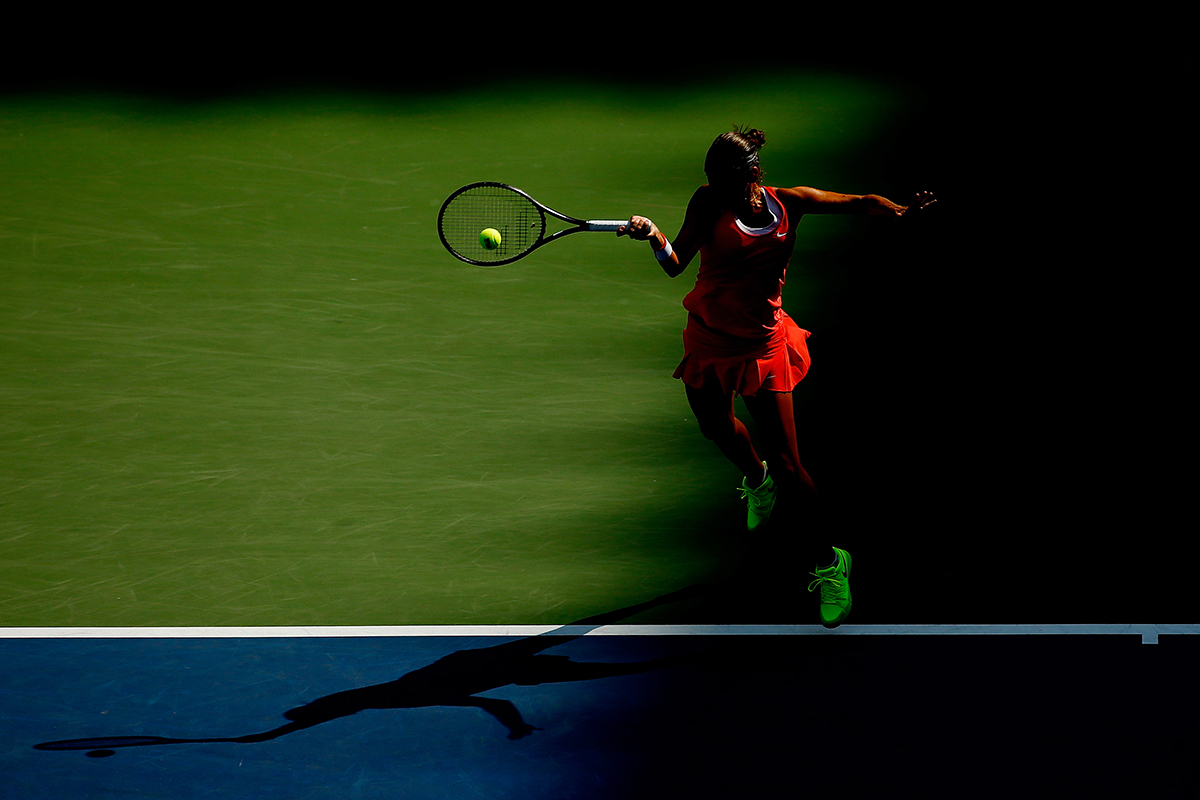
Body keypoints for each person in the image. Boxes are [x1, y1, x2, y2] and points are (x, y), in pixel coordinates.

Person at [618, 127, 934, 628]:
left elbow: (858, 201)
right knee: (715, 427)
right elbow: (676, 265)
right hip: (708, 338)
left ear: (752, 174)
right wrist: (654, 236)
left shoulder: (791, 204)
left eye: (725, 177)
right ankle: (755, 479)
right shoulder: (707, 203)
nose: (714, 184)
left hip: (762, 347)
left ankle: (831, 563)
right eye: (710, 176)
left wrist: (899, 210)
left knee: (792, 465)